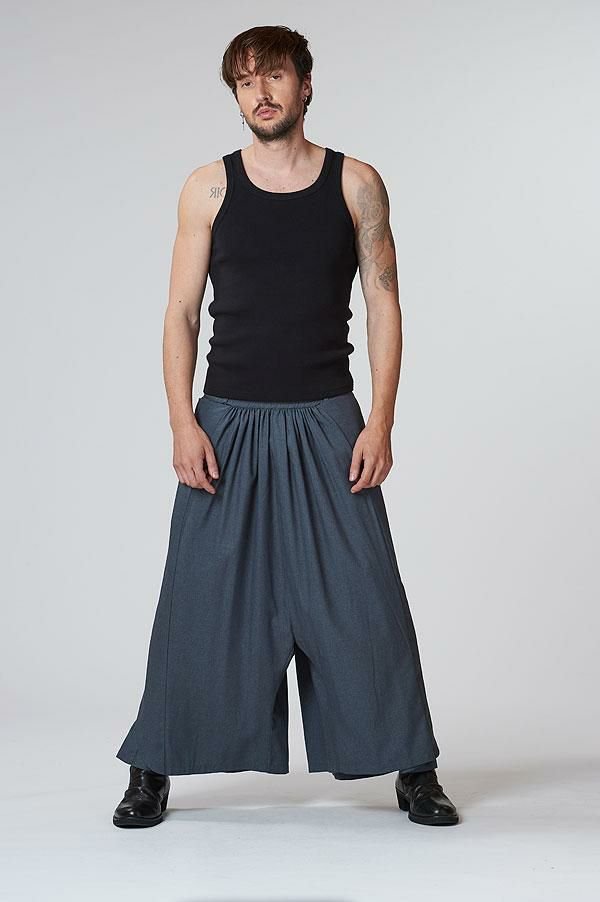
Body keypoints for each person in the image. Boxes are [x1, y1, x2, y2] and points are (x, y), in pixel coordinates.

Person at [113, 24, 459, 829]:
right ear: (236, 97)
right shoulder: (207, 188)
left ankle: (415, 768)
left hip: (327, 419)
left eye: (273, 76)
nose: (259, 93)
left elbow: (384, 303)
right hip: (226, 422)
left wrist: (381, 419)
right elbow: (179, 311)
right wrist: (181, 421)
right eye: (244, 82)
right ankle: (150, 767)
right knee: (199, 598)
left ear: (305, 86)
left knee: (365, 598)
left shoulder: (357, 184)